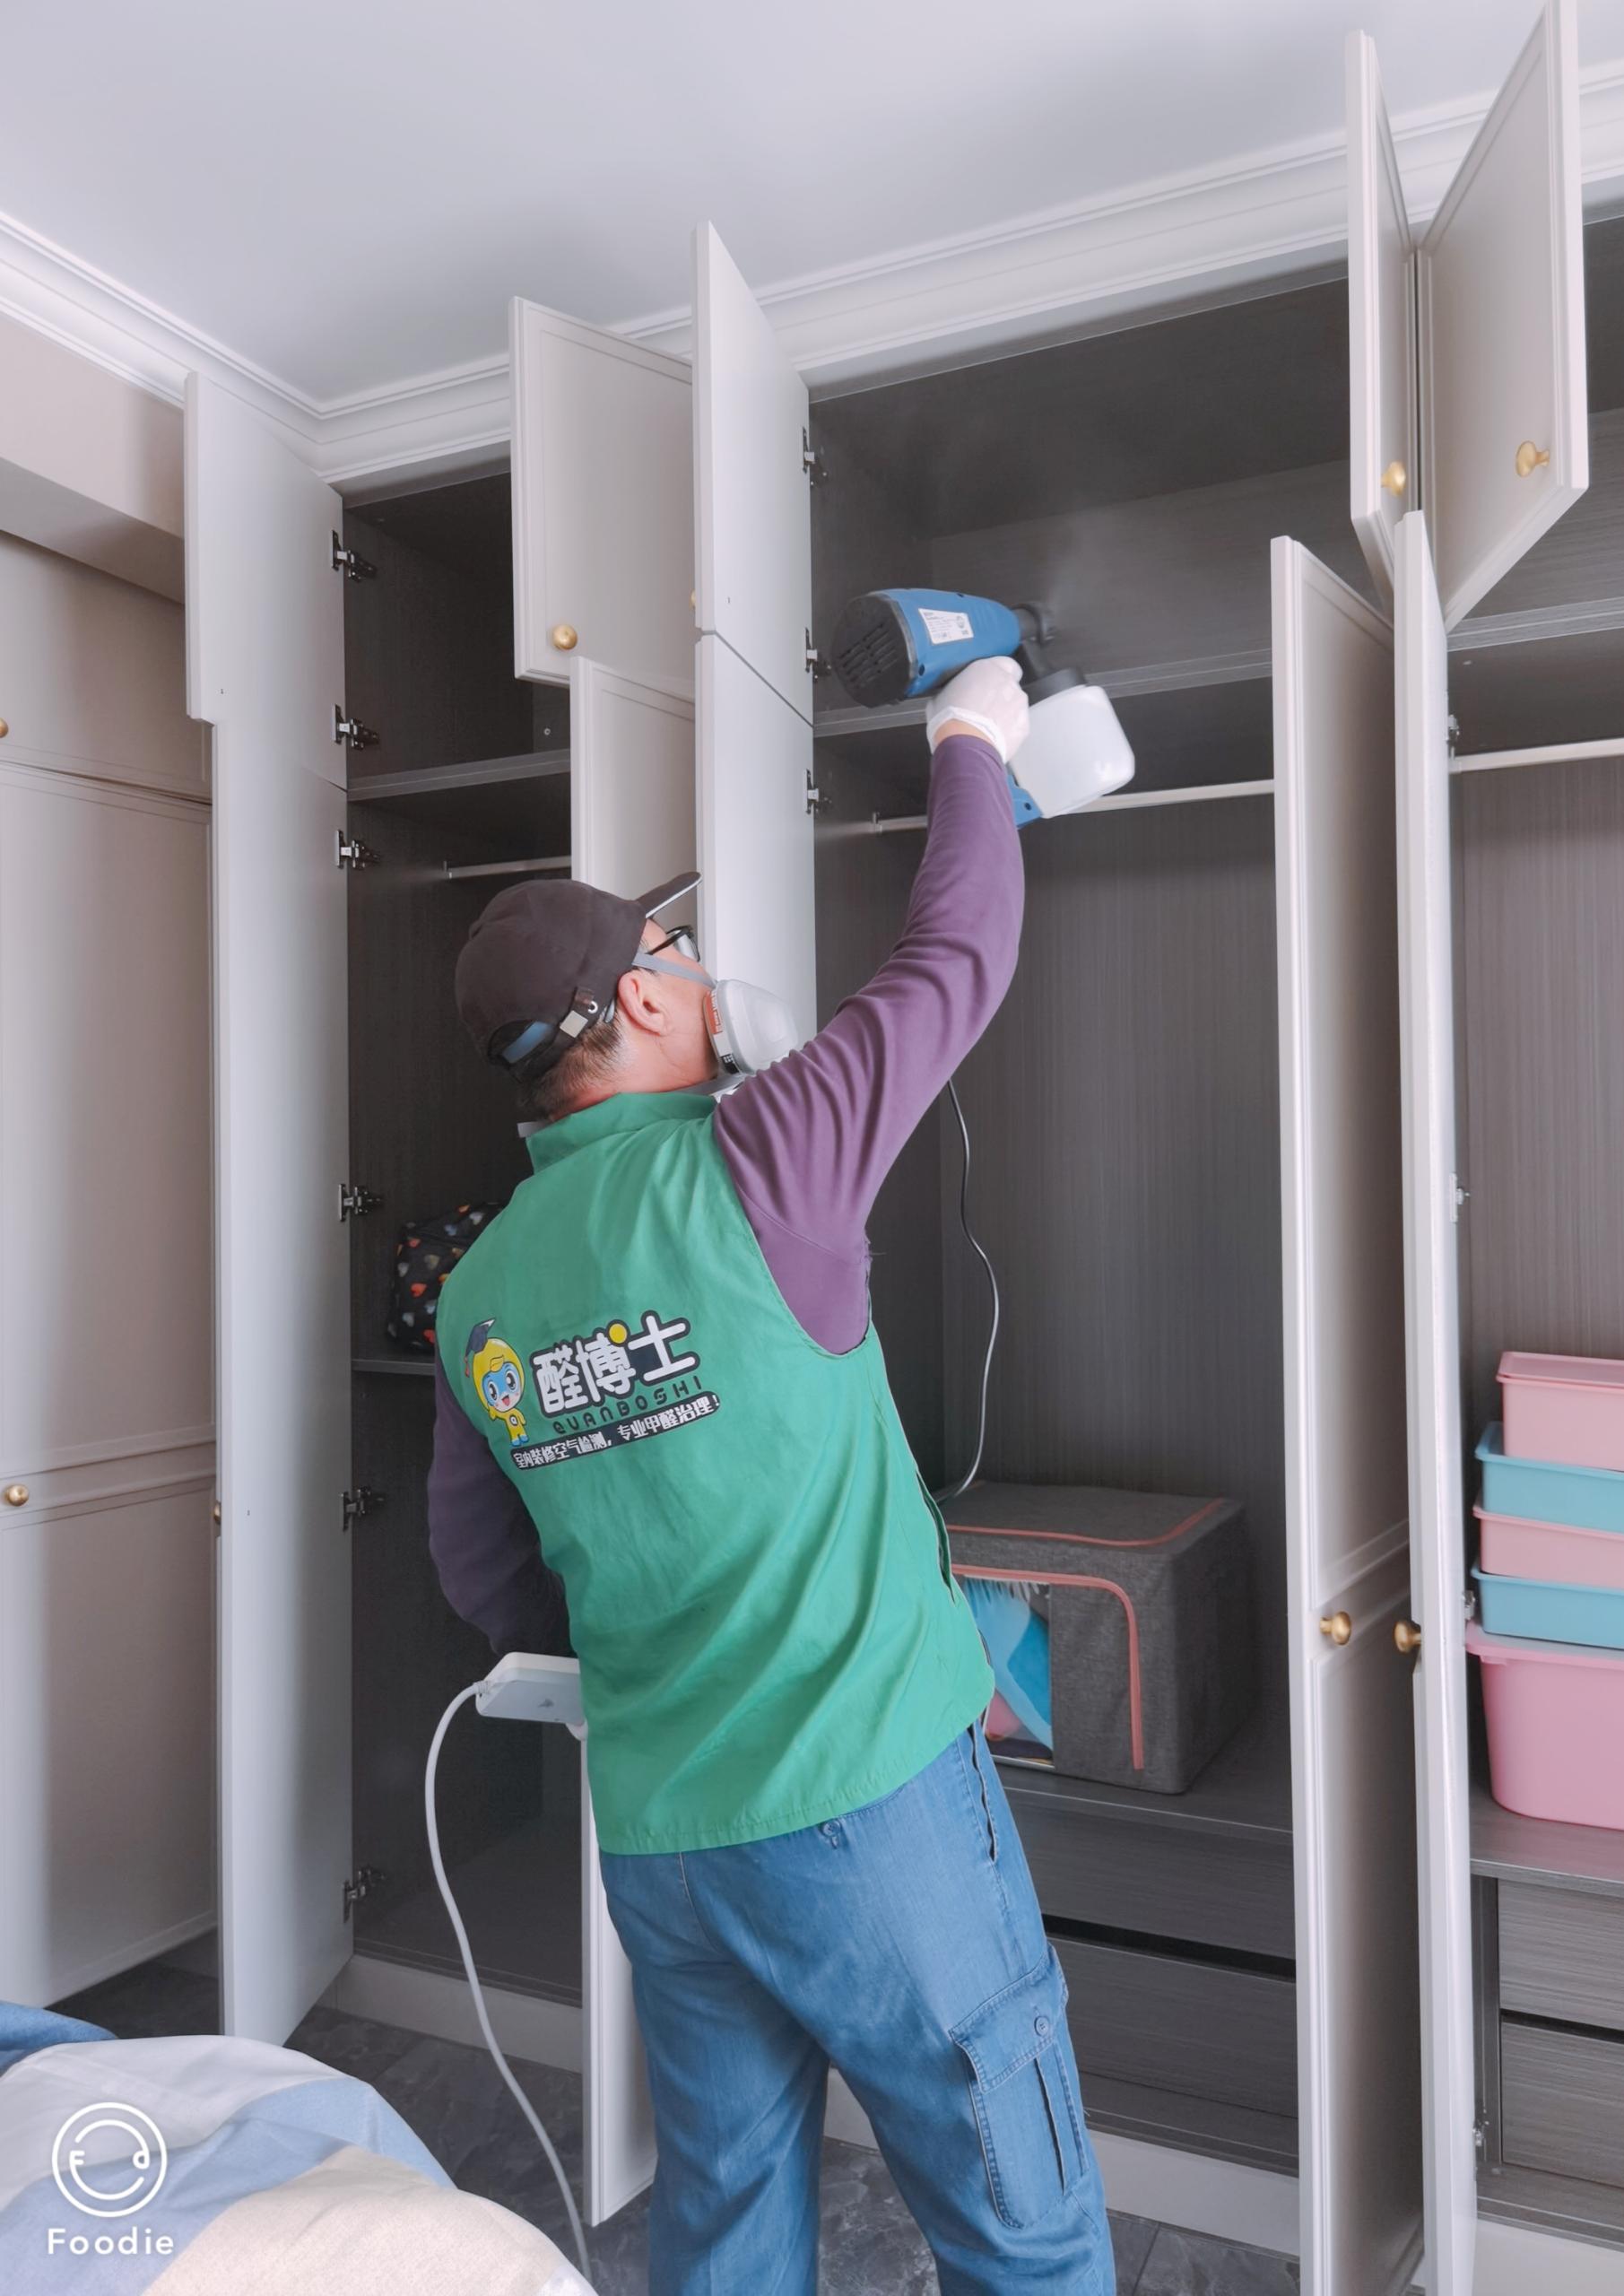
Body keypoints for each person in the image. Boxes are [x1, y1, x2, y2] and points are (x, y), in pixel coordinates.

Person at [427, 655, 1114, 2295]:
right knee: (1022, 2234)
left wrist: (667, 1621)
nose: (699, 968)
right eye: (673, 953)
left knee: (728, 2235)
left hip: (666, 1841)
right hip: (873, 1816)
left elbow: (485, 1575)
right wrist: (971, 740)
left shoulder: (479, 1288)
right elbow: (954, 959)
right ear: (640, 1007)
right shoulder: (760, 1159)